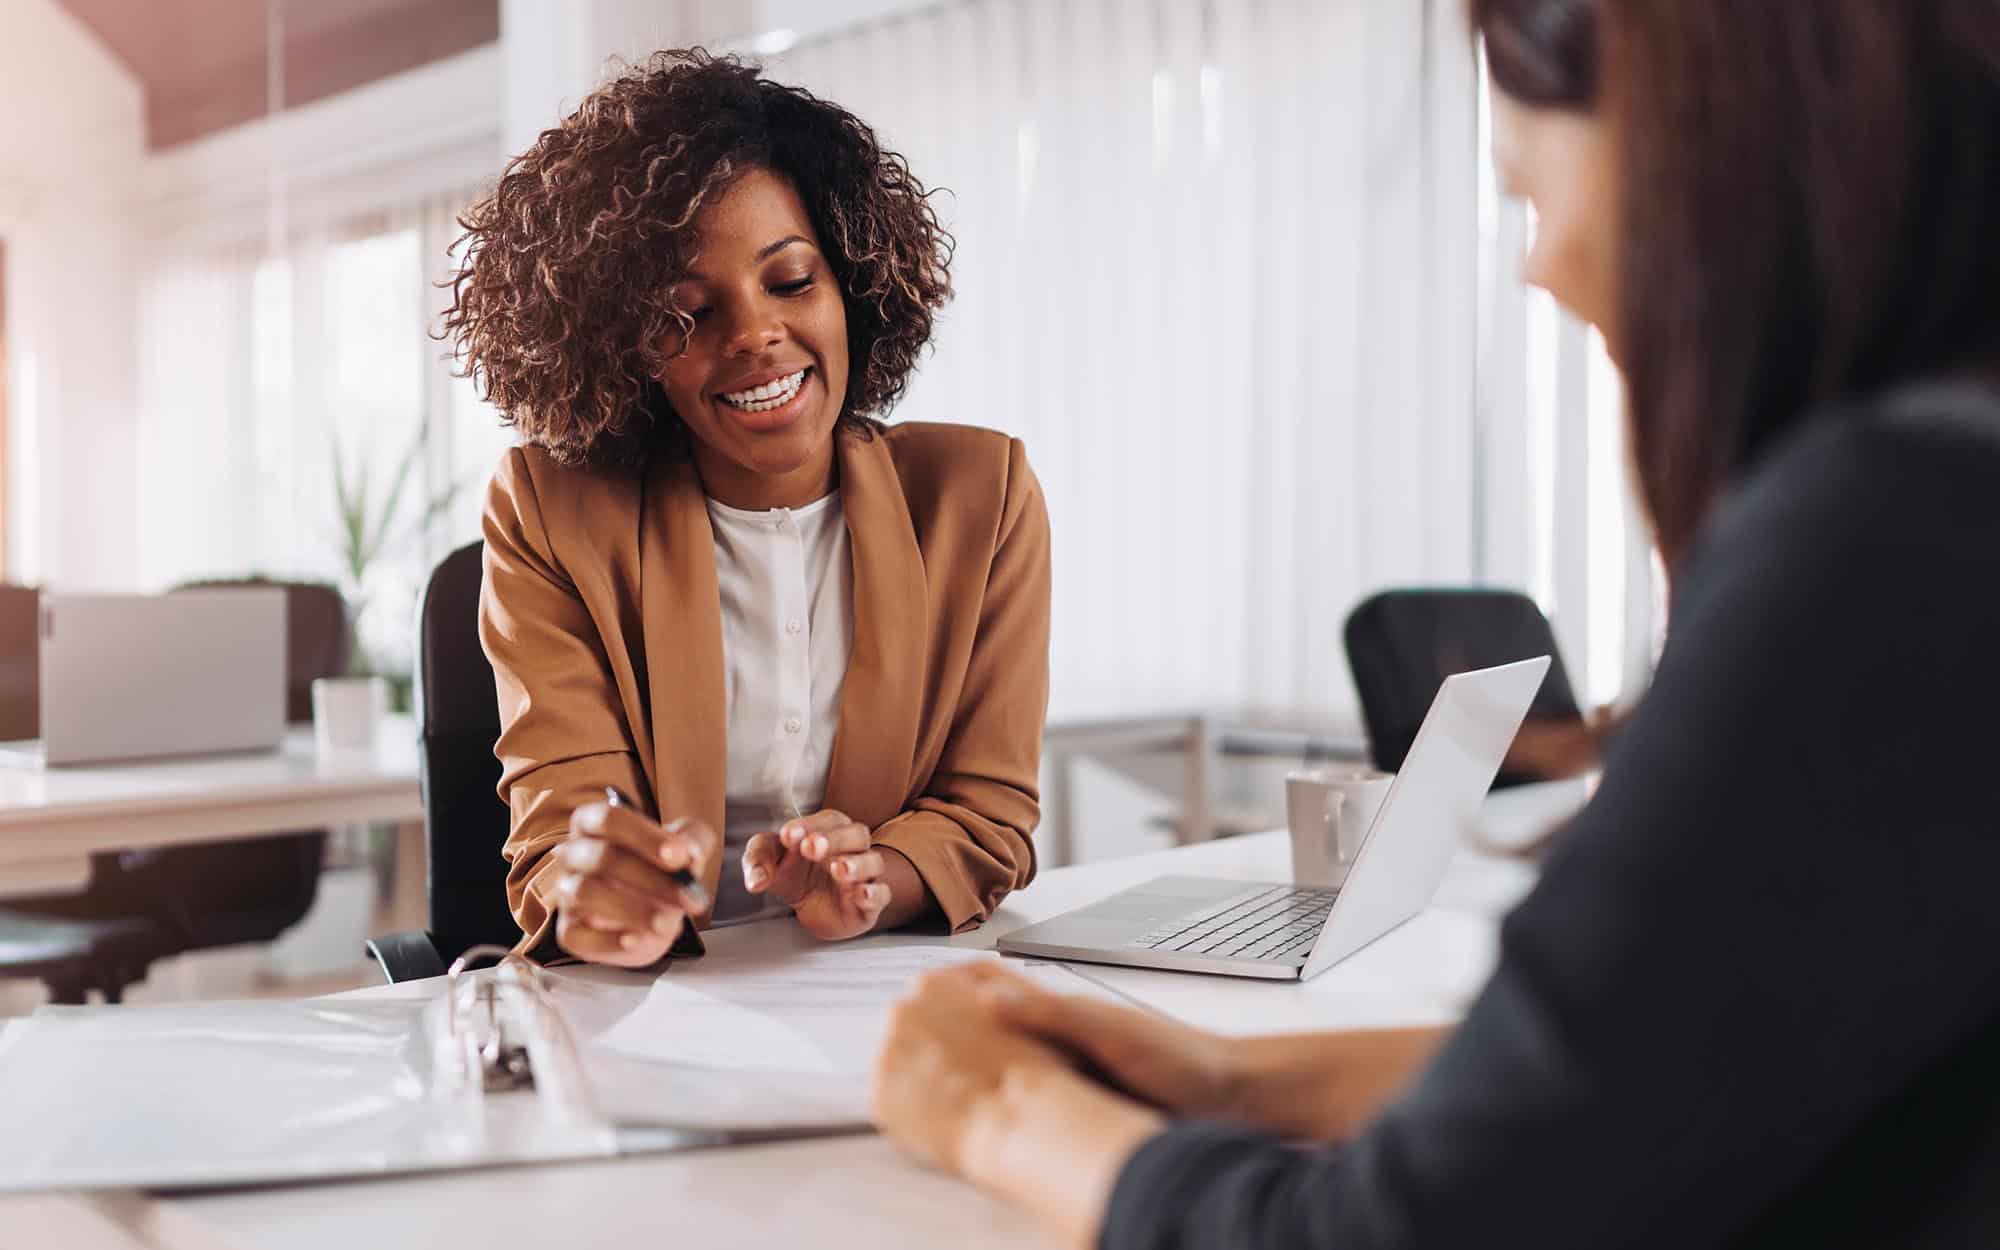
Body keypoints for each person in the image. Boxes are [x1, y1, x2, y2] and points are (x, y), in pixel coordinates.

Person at [872, 1, 2000, 1245]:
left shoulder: (1887, 535)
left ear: (1710, 145)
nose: (1540, 261)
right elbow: (1643, 1087)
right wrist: (1229, 1079)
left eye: (1524, 191)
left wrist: (998, 1115)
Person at [442, 52, 1050, 965]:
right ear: (625, 350)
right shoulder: (550, 510)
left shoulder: (980, 497)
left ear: (851, 280)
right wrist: (599, 892)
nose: (755, 336)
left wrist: (876, 881)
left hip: (879, 993)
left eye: (792, 281)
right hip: (646, 1011)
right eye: (687, 313)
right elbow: (561, 826)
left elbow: (987, 813)